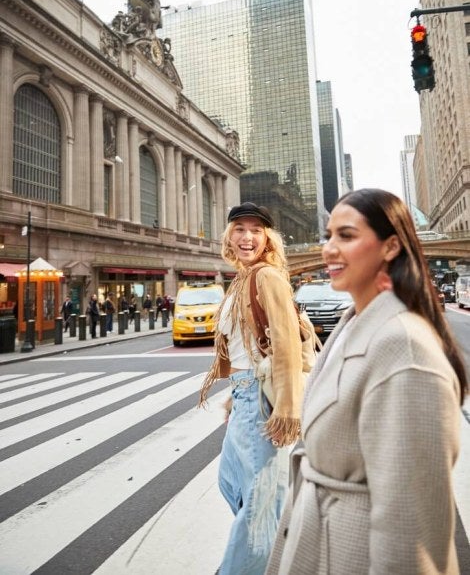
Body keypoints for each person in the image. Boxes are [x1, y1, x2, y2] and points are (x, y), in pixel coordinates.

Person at [266, 188, 468, 575]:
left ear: (391, 246)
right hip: (317, 538)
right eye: (327, 236)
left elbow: (413, 528)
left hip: (353, 552)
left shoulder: (404, 346)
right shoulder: (353, 323)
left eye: (346, 235)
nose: (328, 249)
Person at [199, 202, 310, 575]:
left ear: (268, 238)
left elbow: (286, 345)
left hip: (265, 404)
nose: (247, 237)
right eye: (240, 229)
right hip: (247, 394)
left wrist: (288, 410)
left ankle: (252, 564)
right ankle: (268, 555)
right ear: (228, 235)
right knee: (232, 482)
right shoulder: (241, 279)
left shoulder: (267, 277)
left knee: (261, 505)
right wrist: (235, 392)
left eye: (256, 230)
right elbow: (250, 348)